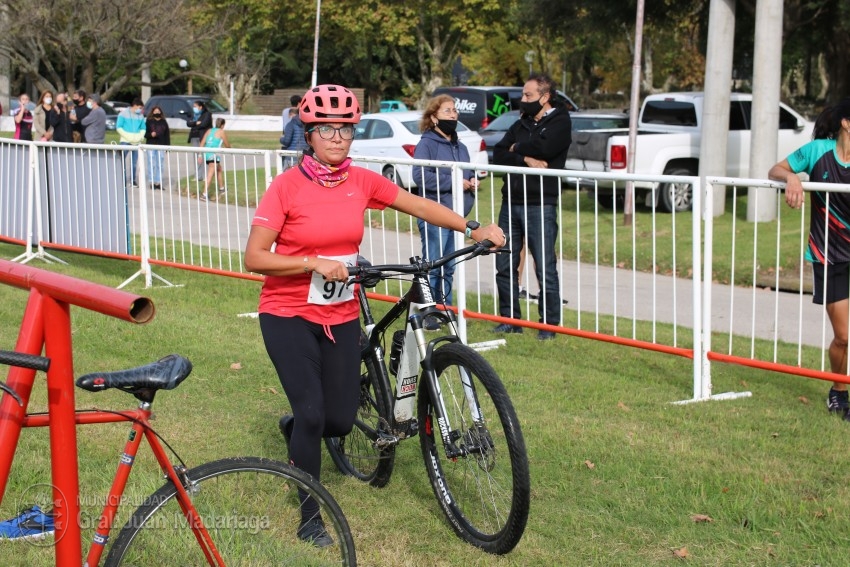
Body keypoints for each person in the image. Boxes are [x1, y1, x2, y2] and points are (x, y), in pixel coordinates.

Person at [243, 84, 504, 547]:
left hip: (340, 311)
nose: (338, 138)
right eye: (328, 129)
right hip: (287, 312)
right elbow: (255, 257)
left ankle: (300, 428)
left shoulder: (361, 180)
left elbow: (417, 204)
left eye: (346, 129)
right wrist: (311, 262)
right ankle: (310, 516)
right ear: (309, 134)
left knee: (339, 422)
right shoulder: (286, 186)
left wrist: (472, 225)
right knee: (311, 410)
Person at [768, 97, 850, 420]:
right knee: (843, 337)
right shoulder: (817, 151)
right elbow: (776, 168)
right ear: (846, 123)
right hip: (830, 255)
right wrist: (792, 177)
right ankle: (838, 393)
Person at [492, 73, 572, 341]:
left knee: (544, 265)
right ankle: (509, 319)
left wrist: (517, 148)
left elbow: (547, 147)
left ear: (545, 97)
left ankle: (549, 325)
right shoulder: (520, 123)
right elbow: (499, 153)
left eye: (528, 96)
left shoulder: (560, 121)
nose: (523, 100)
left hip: (541, 204)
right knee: (505, 262)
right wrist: (525, 156)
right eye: (523, 95)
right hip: (511, 202)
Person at [411, 94, 479, 328]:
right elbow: (420, 176)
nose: (453, 115)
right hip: (433, 214)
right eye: (448, 111)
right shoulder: (426, 144)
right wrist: (454, 181)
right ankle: (430, 314)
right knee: (433, 266)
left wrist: (473, 181)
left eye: (455, 111)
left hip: (457, 216)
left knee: (449, 267)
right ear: (434, 117)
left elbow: (467, 172)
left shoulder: (460, 146)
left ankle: (446, 311)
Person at [117, 97, 146, 187]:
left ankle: (132, 180)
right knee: (121, 160)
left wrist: (140, 136)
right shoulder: (123, 114)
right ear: (135, 106)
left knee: (134, 163)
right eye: (140, 107)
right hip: (125, 141)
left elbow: (143, 128)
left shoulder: (140, 116)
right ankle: (120, 179)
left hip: (137, 142)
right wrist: (128, 136)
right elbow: (119, 127)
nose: (140, 110)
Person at [199, 117, 230, 201]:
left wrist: (200, 156)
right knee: (210, 174)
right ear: (222, 125)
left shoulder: (209, 131)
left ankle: (222, 188)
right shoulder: (221, 132)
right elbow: (227, 145)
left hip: (207, 154)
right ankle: (204, 194)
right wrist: (230, 149)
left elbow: (202, 143)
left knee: (219, 169)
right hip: (214, 155)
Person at [144, 104, 171, 190]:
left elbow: (167, 135)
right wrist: (151, 135)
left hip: (161, 144)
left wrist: (167, 147)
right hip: (151, 144)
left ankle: (158, 182)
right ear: (152, 112)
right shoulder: (149, 121)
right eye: (155, 111)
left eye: (158, 111)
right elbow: (145, 134)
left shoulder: (164, 122)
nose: (157, 112)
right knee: (151, 164)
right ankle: (151, 182)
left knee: (160, 164)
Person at [186, 99, 213, 179]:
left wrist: (194, 124)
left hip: (203, 137)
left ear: (200, 107)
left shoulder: (207, 114)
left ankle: (206, 175)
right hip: (194, 136)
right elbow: (188, 123)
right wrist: (195, 123)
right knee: (196, 156)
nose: (194, 108)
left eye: (195, 106)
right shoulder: (193, 115)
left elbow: (204, 124)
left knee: (203, 155)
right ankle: (198, 175)